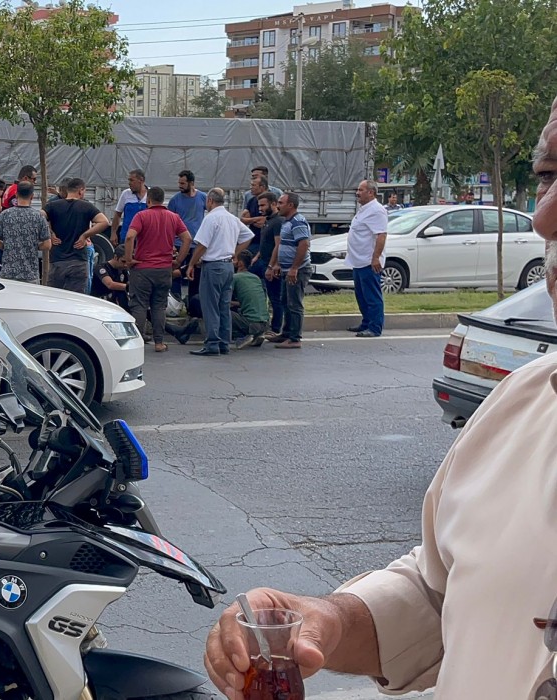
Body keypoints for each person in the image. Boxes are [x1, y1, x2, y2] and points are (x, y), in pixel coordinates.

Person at [205, 96, 557, 700]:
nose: (544, 218)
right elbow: (442, 594)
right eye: (549, 177)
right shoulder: (525, 400)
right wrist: (331, 620)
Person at [185, 188, 253, 356]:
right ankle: (224, 342)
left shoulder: (211, 218)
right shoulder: (232, 218)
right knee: (224, 305)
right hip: (228, 265)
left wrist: (191, 264)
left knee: (210, 306)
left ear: (209, 200)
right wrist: (234, 253)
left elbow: (202, 245)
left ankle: (212, 343)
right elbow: (248, 236)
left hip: (213, 266)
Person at [124, 186, 190, 353]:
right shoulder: (173, 217)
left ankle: (136, 343)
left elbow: (130, 236)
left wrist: (129, 259)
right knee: (159, 306)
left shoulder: (141, 216)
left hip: (143, 268)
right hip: (164, 269)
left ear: (149, 200)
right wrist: (178, 261)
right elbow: (187, 238)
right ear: (163, 200)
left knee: (139, 305)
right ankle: (159, 343)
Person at [44, 178, 108, 293]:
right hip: (78, 261)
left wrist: (50, 233)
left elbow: (39, 217)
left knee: (54, 299)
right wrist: (85, 235)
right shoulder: (86, 206)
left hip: (57, 261)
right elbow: (104, 222)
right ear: (80, 190)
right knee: (76, 300)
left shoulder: (53, 205)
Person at [267, 192, 313, 349]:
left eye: (280, 203)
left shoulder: (297, 222)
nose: (277, 205)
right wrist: (278, 264)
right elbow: (283, 245)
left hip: (298, 270)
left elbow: (303, 244)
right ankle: (286, 333)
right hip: (286, 269)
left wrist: (294, 268)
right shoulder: (286, 222)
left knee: (294, 304)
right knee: (285, 301)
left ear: (290, 205)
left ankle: (295, 338)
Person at [346, 180, 389, 338]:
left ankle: (375, 327)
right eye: (358, 189)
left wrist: (376, 257)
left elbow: (381, 235)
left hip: (368, 261)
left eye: (361, 190)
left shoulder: (377, 210)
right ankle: (366, 323)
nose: (357, 192)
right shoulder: (364, 209)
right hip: (358, 260)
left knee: (371, 296)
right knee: (361, 295)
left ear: (371, 192)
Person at [0, 181, 51, 284]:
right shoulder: (39, 217)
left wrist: (9, 246)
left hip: (8, 274)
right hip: (30, 275)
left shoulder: (5, 215)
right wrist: (33, 246)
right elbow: (47, 245)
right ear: (32, 196)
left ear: (16, 195)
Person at [252, 191, 285, 336]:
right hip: (262, 261)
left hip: (270, 265)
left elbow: (278, 245)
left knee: (275, 298)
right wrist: (257, 256)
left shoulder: (278, 221)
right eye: (259, 205)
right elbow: (265, 242)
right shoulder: (267, 221)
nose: (260, 208)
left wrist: (272, 266)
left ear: (273, 204)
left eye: (263, 205)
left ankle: (276, 328)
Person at [230, 251, 269, 349]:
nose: (232, 262)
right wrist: (232, 303)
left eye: (234, 260)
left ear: (240, 263)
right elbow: (248, 300)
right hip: (265, 323)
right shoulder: (256, 278)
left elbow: (224, 299)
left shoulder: (235, 277)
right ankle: (257, 335)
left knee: (221, 311)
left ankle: (245, 336)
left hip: (251, 323)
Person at [111, 169, 146, 245]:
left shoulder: (150, 194)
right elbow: (118, 214)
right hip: (127, 236)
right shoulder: (126, 194)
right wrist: (113, 233)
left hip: (145, 238)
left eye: (132, 180)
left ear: (141, 180)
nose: (129, 183)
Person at [92, 245, 130, 309]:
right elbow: (110, 284)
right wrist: (129, 287)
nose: (125, 265)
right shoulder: (101, 268)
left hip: (115, 302)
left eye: (128, 262)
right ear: (115, 257)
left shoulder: (123, 270)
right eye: (123, 261)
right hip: (100, 301)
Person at [239, 177, 268, 253]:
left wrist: (251, 220)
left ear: (262, 187)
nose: (251, 187)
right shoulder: (251, 201)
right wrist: (256, 219)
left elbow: (264, 221)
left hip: (265, 241)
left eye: (253, 185)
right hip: (252, 239)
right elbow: (242, 219)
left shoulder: (270, 200)